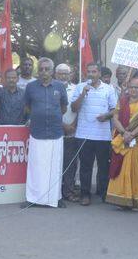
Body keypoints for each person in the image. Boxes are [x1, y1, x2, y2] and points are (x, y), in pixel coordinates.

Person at [23, 58, 68, 208]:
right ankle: (32, 199)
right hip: (37, 131)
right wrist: (38, 115)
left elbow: (63, 107)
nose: (44, 72)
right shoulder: (31, 87)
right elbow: (27, 107)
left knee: (55, 167)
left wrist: (53, 116)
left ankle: (56, 198)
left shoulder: (60, 87)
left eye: (47, 69)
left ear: (52, 71)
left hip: (55, 131)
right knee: (36, 167)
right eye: (41, 69)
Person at [71, 62, 117, 205]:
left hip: (103, 135)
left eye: (94, 71)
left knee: (103, 166)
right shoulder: (80, 87)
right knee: (85, 166)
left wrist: (106, 116)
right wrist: (83, 94)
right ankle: (85, 194)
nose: (91, 74)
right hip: (84, 134)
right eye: (89, 71)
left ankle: (104, 193)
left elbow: (115, 110)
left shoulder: (108, 89)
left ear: (99, 74)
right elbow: (74, 108)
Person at [106, 77, 138, 210]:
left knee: (137, 170)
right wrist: (124, 133)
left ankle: (135, 201)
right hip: (123, 139)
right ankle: (121, 199)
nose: (133, 90)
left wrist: (132, 135)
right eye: (131, 87)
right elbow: (115, 118)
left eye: (137, 88)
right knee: (121, 168)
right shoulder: (122, 102)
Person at [56, 63, 79, 202]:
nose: (63, 76)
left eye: (66, 73)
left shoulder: (77, 89)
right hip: (55, 131)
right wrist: (63, 125)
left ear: (70, 75)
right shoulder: (50, 88)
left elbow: (80, 109)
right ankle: (56, 192)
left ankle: (68, 192)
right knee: (55, 163)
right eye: (60, 73)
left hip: (72, 131)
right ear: (55, 74)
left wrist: (72, 125)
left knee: (70, 164)